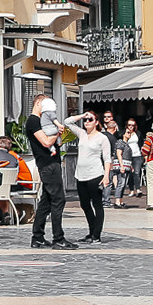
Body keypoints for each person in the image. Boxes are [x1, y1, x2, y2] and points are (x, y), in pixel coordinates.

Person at [23, 95, 72, 249]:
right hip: (48, 165)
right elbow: (45, 142)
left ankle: (37, 237)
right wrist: (57, 132)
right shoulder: (33, 121)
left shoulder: (44, 120)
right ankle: (58, 238)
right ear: (38, 103)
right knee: (58, 200)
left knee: (46, 202)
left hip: (52, 163)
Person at [72, 113, 111, 244]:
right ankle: (92, 231)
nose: (87, 122)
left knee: (97, 204)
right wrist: (82, 115)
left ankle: (96, 235)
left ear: (96, 122)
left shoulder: (102, 138)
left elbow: (107, 158)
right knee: (84, 205)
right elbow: (67, 122)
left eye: (90, 119)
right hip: (80, 175)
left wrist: (106, 176)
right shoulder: (82, 134)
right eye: (85, 120)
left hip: (95, 174)